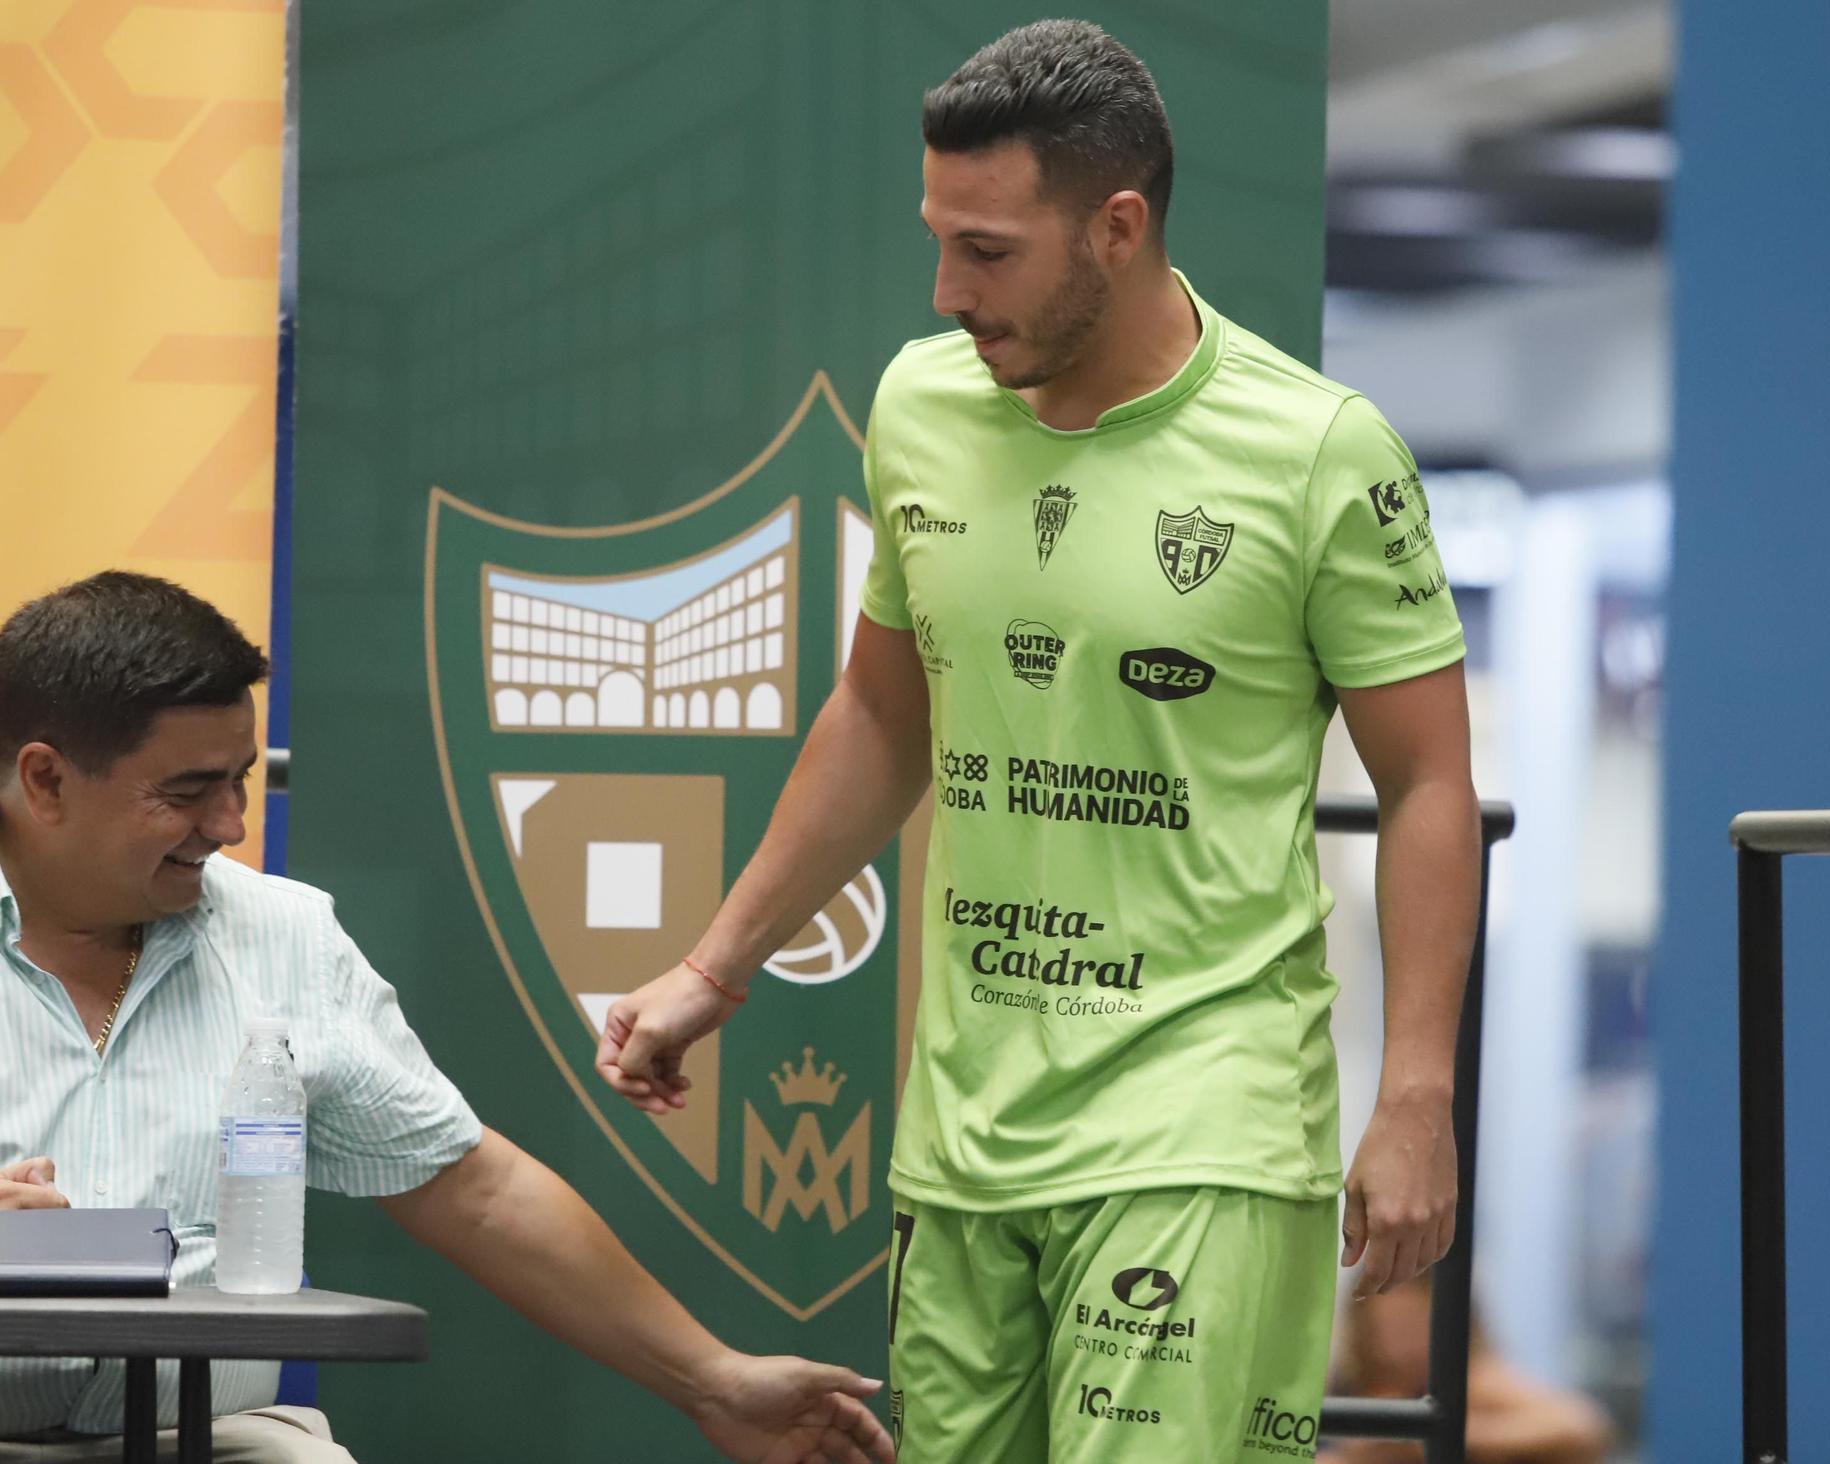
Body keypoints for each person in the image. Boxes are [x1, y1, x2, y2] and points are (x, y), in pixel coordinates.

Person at [596, 18, 1481, 1463]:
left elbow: (1430, 780)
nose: (948, 292)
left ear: (1117, 226)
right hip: (967, 1131)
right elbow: (887, 710)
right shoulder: (921, 403)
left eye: (990, 252)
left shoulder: (1320, 449)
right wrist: (716, 964)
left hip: (1206, 1114)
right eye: (939, 241)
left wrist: (1419, 1100)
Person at [0, 572, 894, 1464]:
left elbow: (476, 1190)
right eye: (189, 792)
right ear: (45, 779)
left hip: (216, 1440)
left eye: (239, 779)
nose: (233, 826)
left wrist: (712, 1381)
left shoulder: (285, 935)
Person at [1318, 1274, 1614, 1464]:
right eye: (1387, 1329)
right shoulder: (1348, 1383)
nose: (1399, 1346)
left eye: (1412, 1327)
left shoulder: (1470, 1381)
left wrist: (1424, 1437)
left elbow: (1580, 1426)